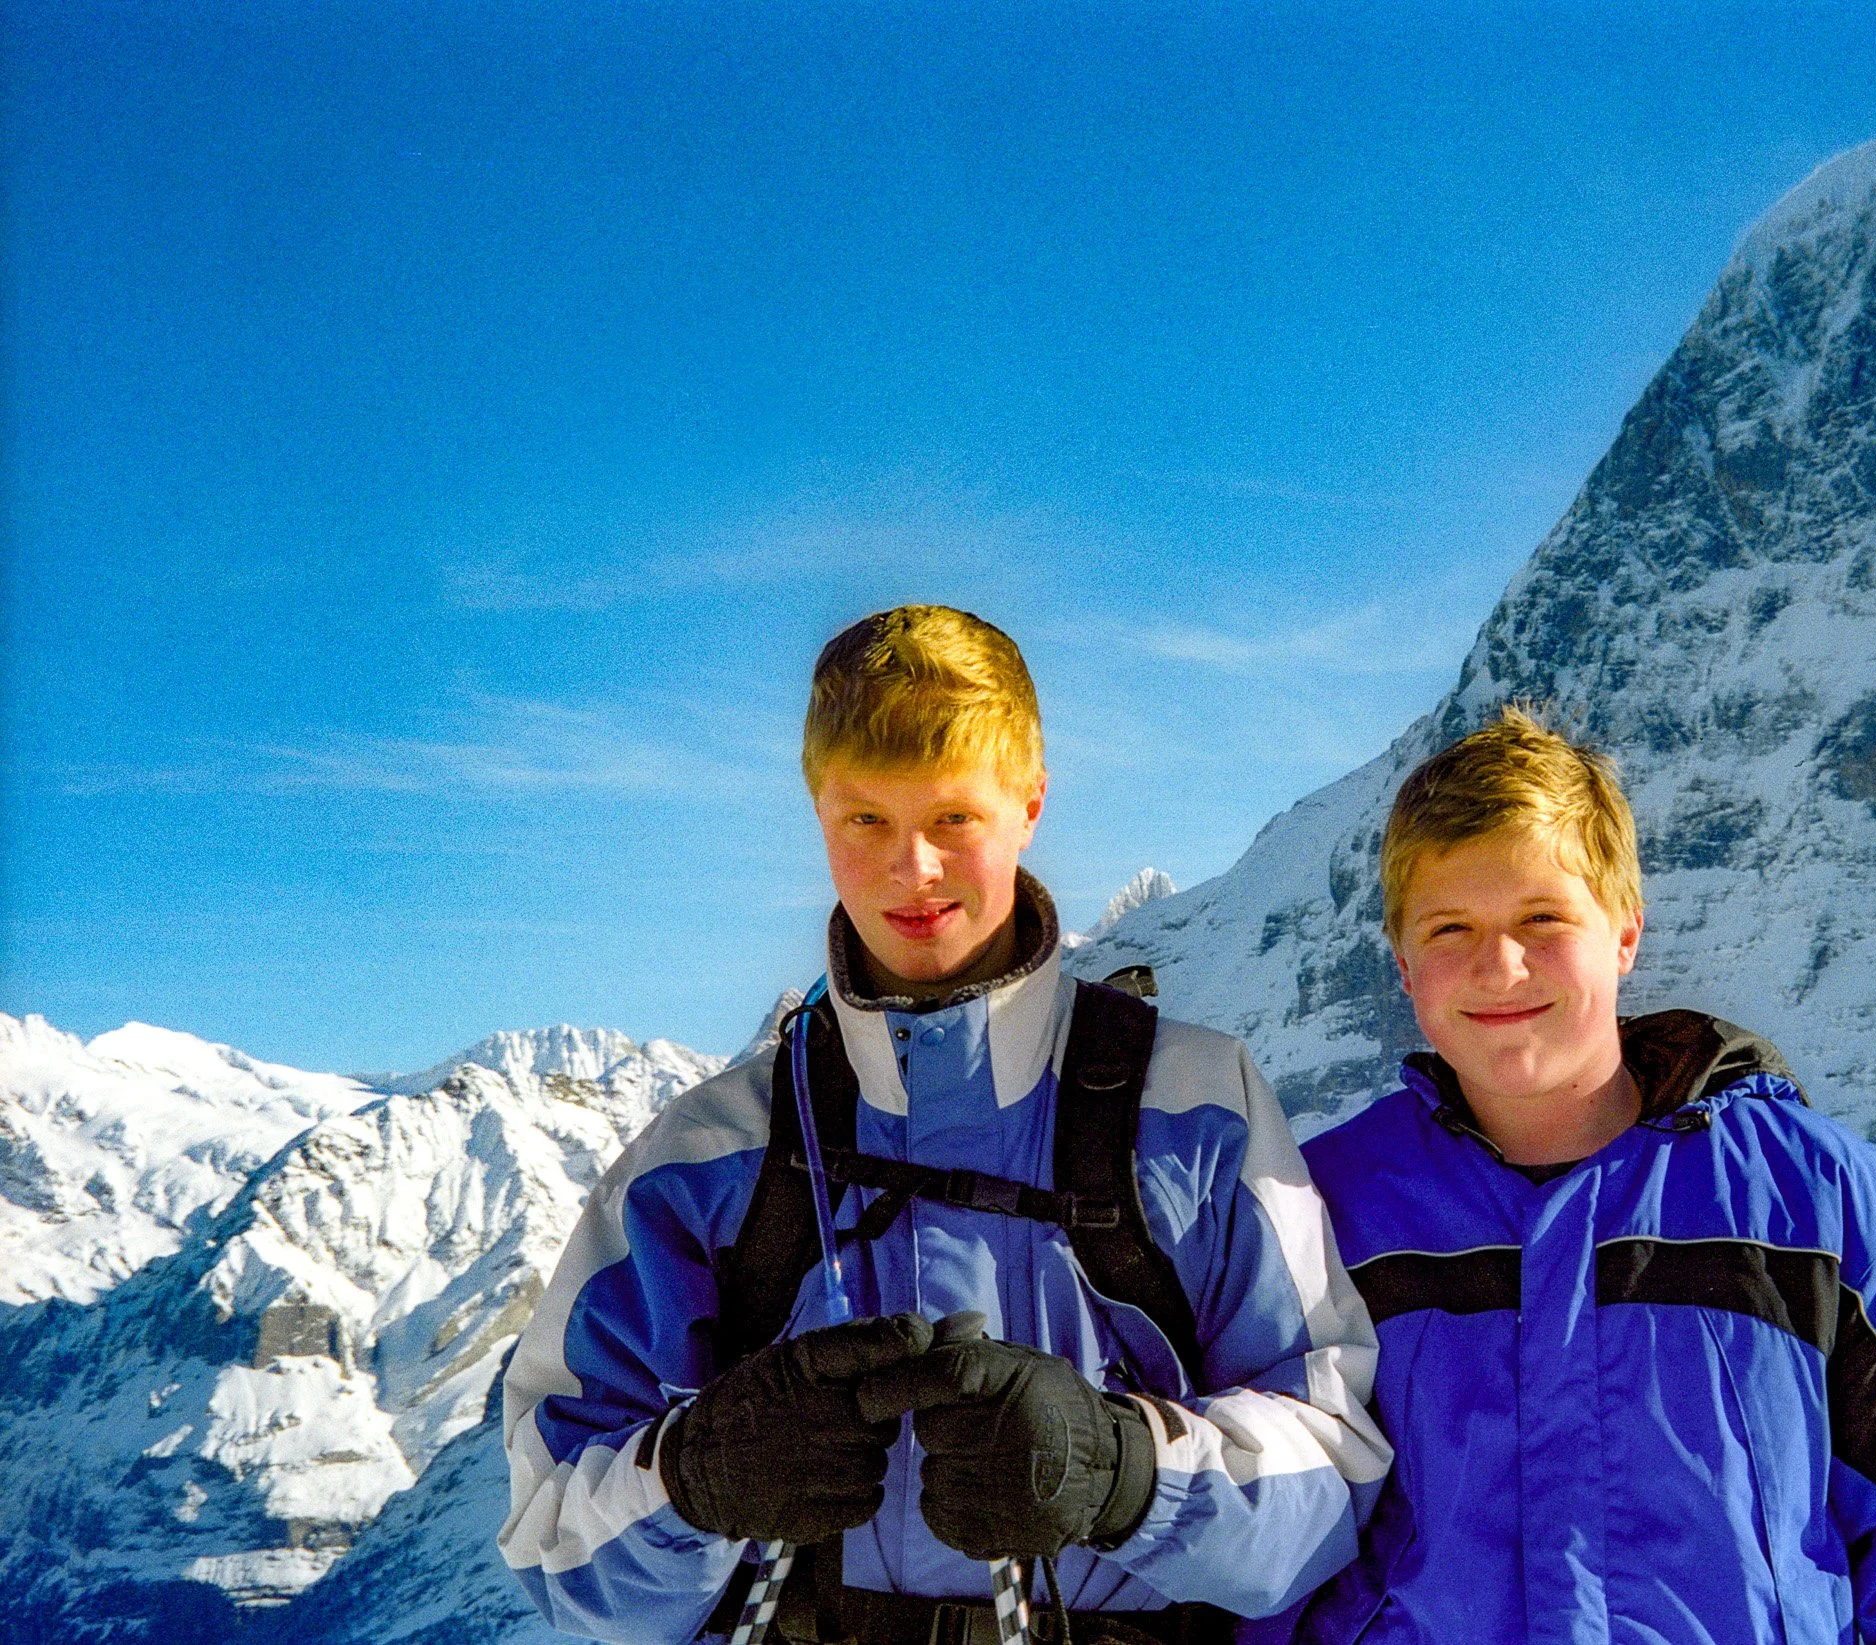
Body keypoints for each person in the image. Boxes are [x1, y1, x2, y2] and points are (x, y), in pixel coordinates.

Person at [499, 606, 1389, 1645]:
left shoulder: (1194, 1108)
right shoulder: (705, 1158)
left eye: (953, 820)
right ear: (816, 814)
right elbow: (549, 1542)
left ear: (1029, 804)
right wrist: (696, 1475)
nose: (910, 869)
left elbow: (1335, 1474)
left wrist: (1120, 1470)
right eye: (864, 820)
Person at [1284, 706, 1876, 1645]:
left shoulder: (1816, 1204)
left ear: (1624, 935)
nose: (1500, 964)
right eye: (1450, 927)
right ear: (1403, 964)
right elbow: (1257, 1547)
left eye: (1544, 917)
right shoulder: (1322, 1209)